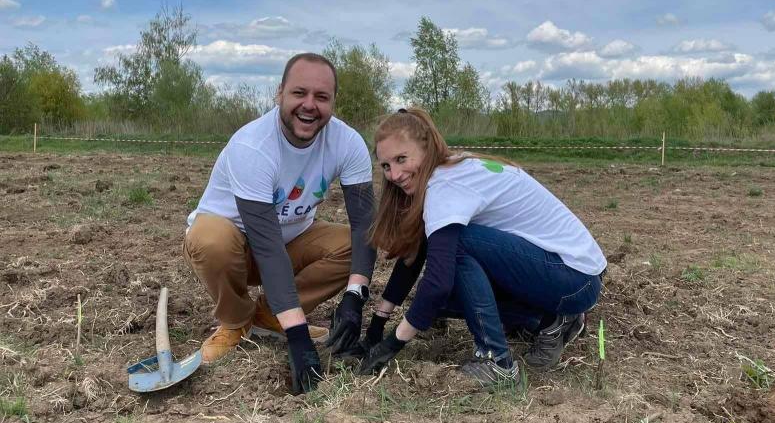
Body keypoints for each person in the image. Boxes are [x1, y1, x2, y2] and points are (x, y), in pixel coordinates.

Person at [354, 108, 607, 387]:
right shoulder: (451, 166)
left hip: (573, 277)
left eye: (402, 159)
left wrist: (391, 345)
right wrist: (377, 324)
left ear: (426, 148)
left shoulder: (445, 187)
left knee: (457, 250)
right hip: (569, 275)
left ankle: (495, 360)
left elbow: (436, 282)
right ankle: (551, 320)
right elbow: (416, 255)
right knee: (443, 300)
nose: (395, 174)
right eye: (386, 166)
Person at [184, 53, 377, 394]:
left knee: (352, 244)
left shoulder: (348, 144)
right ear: (279, 94)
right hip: (240, 246)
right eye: (299, 93)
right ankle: (236, 320)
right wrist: (299, 336)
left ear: (333, 102)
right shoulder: (253, 146)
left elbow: (364, 226)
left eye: (321, 97)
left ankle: (271, 316)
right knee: (209, 238)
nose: (309, 105)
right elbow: (267, 247)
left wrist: (354, 296)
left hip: (292, 239)